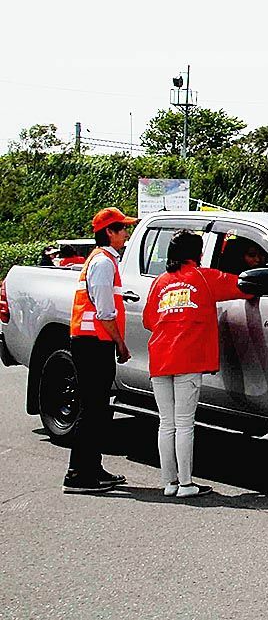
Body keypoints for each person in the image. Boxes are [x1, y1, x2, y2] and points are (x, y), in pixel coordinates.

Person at [144, 231, 254, 498]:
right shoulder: (205, 277)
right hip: (188, 358)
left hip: (159, 357)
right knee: (184, 424)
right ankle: (186, 484)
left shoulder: (160, 281)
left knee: (166, 423)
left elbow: (149, 320)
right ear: (197, 254)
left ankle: (169, 483)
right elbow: (246, 288)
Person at [63, 207, 137, 494]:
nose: (126, 234)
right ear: (110, 232)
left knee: (95, 408)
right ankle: (80, 473)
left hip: (90, 341)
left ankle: (91, 468)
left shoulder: (101, 260)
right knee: (93, 409)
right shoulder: (104, 262)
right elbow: (105, 310)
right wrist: (120, 343)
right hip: (94, 343)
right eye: (122, 229)